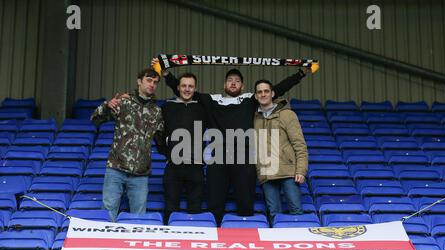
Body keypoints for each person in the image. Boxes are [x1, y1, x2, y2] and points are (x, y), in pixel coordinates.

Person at [155, 58, 309, 223]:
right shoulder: (212, 100)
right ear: (224, 85)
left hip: (243, 159)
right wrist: (165, 74)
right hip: (218, 159)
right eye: (230, 80)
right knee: (215, 206)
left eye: (237, 81)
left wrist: (300, 74)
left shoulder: (250, 99)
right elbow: (185, 90)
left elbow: (277, 89)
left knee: (245, 205)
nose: (233, 83)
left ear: (242, 86)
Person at [90, 68, 164, 222]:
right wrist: (106, 105)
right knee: (108, 213)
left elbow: (161, 137)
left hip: (141, 173)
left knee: (139, 218)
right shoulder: (124, 102)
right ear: (139, 81)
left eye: (155, 82)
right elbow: (95, 119)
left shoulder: (157, 111)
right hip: (116, 168)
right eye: (149, 80)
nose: (152, 85)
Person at [253, 79, 308, 221]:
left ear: (272, 93)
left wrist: (301, 170)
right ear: (255, 96)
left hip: (288, 172)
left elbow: (299, 144)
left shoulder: (287, 115)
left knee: (296, 212)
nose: (263, 94)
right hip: (267, 172)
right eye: (259, 92)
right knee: (274, 215)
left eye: (266, 91)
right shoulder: (254, 118)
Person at [158, 73, 207, 224]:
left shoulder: (202, 108)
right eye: (184, 86)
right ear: (177, 87)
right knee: (170, 208)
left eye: (190, 86)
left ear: (195, 88)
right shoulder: (167, 107)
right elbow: (158, 134)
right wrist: (168, 153)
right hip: (173, 166)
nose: (187, 89)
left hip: (196, 166)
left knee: (195, 208)